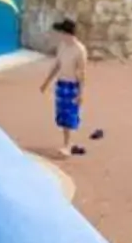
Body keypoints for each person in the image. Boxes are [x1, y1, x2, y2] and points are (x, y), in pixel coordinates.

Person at [39, 18, 99, 159]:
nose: (60, 35)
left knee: (70, 116)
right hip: (61, 84)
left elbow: (82, 73)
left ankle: (68, 145)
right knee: (61, 116)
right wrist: (46, 82)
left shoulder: (80, 50)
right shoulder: (62, 46)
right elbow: (57, 65)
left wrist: (81, 93)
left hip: (72, 86)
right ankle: (67, 143)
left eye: (61, 32)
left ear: (68, 33)